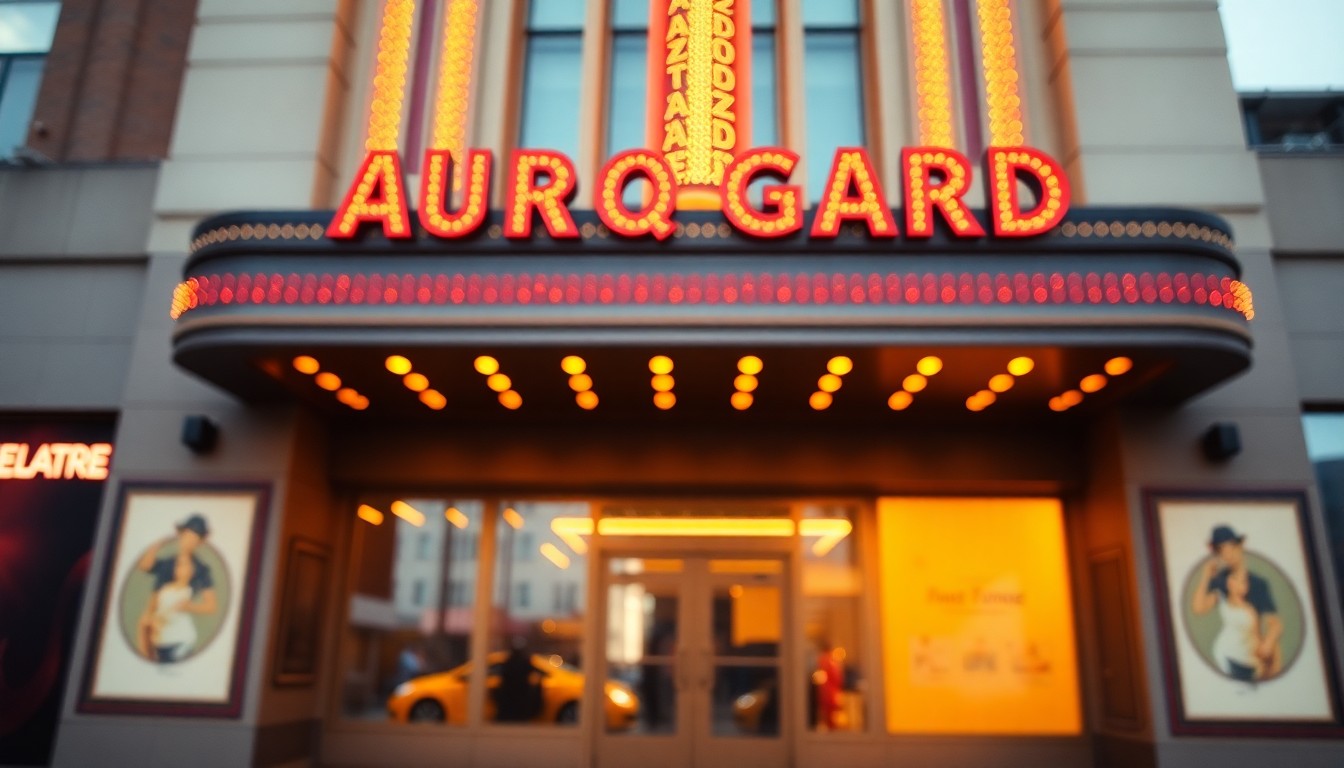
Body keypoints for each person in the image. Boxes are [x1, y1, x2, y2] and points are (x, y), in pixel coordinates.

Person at [1191, 524, 1282, 680]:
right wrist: (1206, 576)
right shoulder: (1220, 581)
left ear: (1239, 546)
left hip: (1254, 655)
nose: (1227, 555)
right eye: (1221, 551)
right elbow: (1199, 608)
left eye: (1231, 548)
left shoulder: (1259, 584)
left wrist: (1268, 643)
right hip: (1229, 654)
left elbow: (1274, 622)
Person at [135, 514, 218, 663]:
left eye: (194, 538)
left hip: (177, 635)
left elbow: (210, 606)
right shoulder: (168, 563)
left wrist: (189, 606)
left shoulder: (201, 570)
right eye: (186, 536)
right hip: (153, 632)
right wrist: (157, 544)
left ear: (199, 542)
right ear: (180, 535)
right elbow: (144, 566)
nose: (188, 542)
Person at [494, 640, 543, 722]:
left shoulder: (508, 661)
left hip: (509, 697)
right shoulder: (524, 661)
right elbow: (534, 671)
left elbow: (502, 675)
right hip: (521, 696)